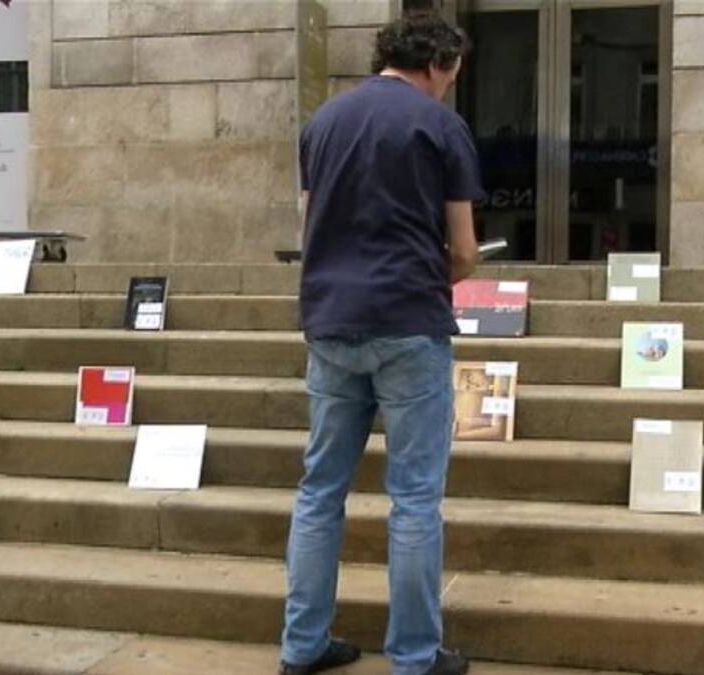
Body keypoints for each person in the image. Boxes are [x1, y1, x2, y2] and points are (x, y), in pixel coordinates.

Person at [279, 11, 484, 675]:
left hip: (332, 319)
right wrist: (441, 274)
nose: (448, 87)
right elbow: (464, 250)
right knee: (416, 497)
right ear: (435, 64)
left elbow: (311, 229)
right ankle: (415, 655)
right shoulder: (440, 125)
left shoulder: (323, 123)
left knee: (320, 490)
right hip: (408, 321)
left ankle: (302, 645)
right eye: (451, 75)